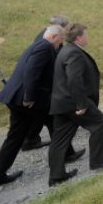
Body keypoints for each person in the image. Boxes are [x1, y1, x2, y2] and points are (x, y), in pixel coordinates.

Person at [0, 27, 84, 188]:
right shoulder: (45, 47)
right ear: (54, 36)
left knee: (15, 137)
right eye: (61, 39)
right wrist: (29, 97)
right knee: (57, 126)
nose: (62, 42)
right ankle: (59, 171)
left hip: (16, 98)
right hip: (27, 99)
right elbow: (31, 72)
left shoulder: (37, 45)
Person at [48, 24, 103, 186]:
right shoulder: (74, 53)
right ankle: (100, 161)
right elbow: (74, 80)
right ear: (78, 37)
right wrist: (81, 104)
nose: (88, 37)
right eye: (86, 34)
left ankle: (56, 175)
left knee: (59, 138)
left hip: (61, 102)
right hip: (73, 101)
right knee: (99, 123)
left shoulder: (66, 50)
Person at [23, 14, 71, 152]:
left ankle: (31, 139)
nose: (67, 32)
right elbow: (33, 70)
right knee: (48, 116)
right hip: (41, 86)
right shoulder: (46, 43)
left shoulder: (48, 37)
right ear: (59, 30)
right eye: (66, 28)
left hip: (41, 86)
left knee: (41, 115)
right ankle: (64, 153)